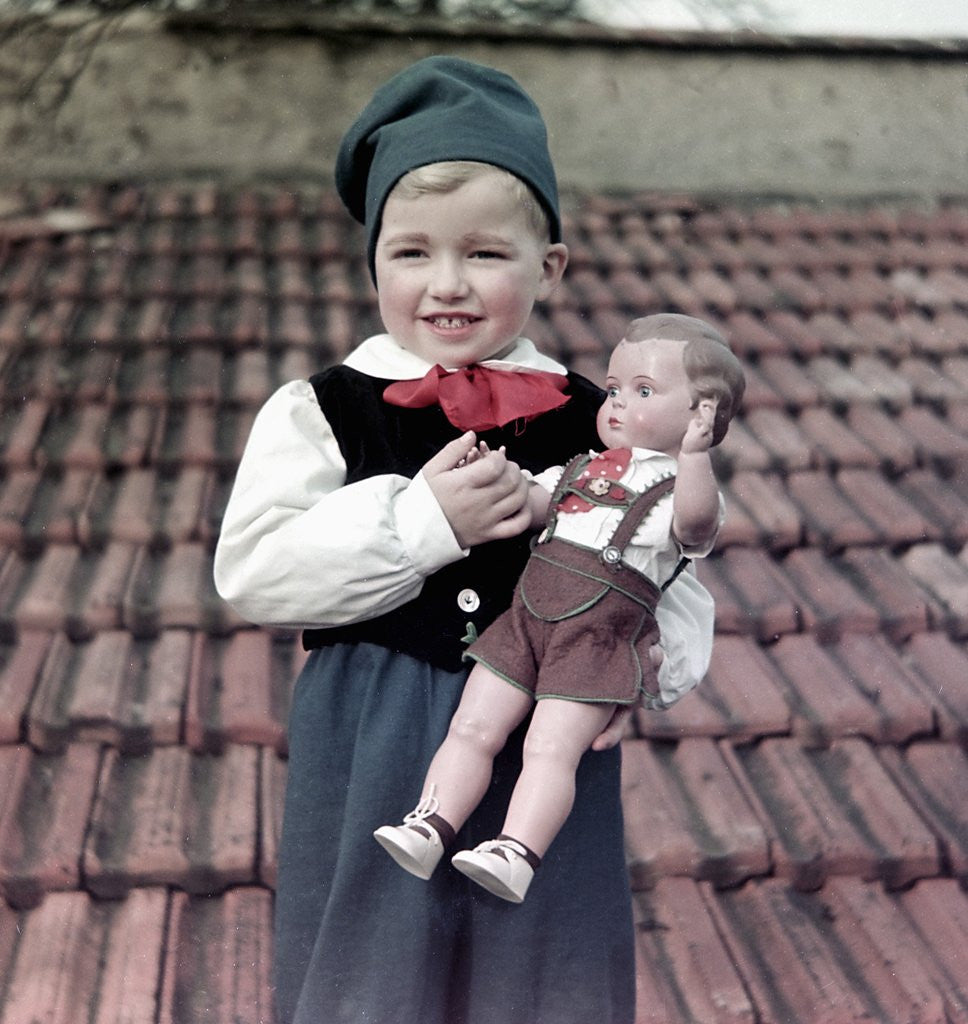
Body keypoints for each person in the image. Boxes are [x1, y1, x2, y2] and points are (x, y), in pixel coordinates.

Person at [214, 56, 716, 1024]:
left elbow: (668, 562)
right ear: (372, 265)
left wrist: (645, 658)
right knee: (369, 966)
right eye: (410, 254)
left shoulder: (600, 416)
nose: (446, 284)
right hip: (372, 721)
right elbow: (255, 572)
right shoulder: (319, 410)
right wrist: (422, 524)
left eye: (484, 253)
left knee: (541, 966)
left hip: (544, 720)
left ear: (548, 266)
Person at [374, 314, 744, 903]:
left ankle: (516, 851)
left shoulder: (681, 491)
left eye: (643, 391)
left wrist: (696, 456)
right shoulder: (581, 467)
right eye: (615, 387)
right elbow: (533, 500)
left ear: (702, 415)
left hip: (595, 641)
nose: (617, 402)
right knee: (472, 726)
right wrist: (494, 477)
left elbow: (696, 528)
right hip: (527, 619)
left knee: (549, 747)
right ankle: (429, 823)